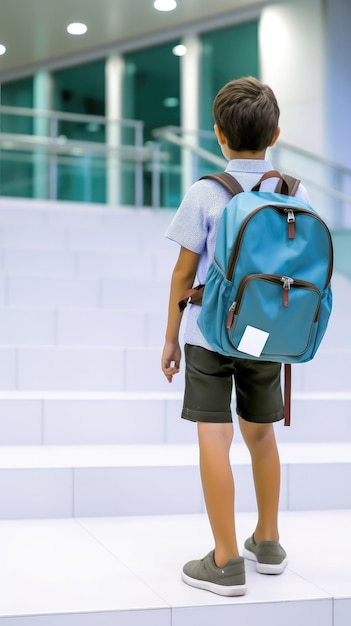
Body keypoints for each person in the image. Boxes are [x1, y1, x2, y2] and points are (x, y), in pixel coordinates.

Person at [161, 76, 309, 597]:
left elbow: (183, 275)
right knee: (262, 434)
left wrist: (171, 337)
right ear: (276, 133)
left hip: (209, 335)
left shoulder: (205, 192)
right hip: (266, 336)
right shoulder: (293, 191)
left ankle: (224, 561)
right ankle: (267, 542)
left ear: (219, 135)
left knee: (214, 436)